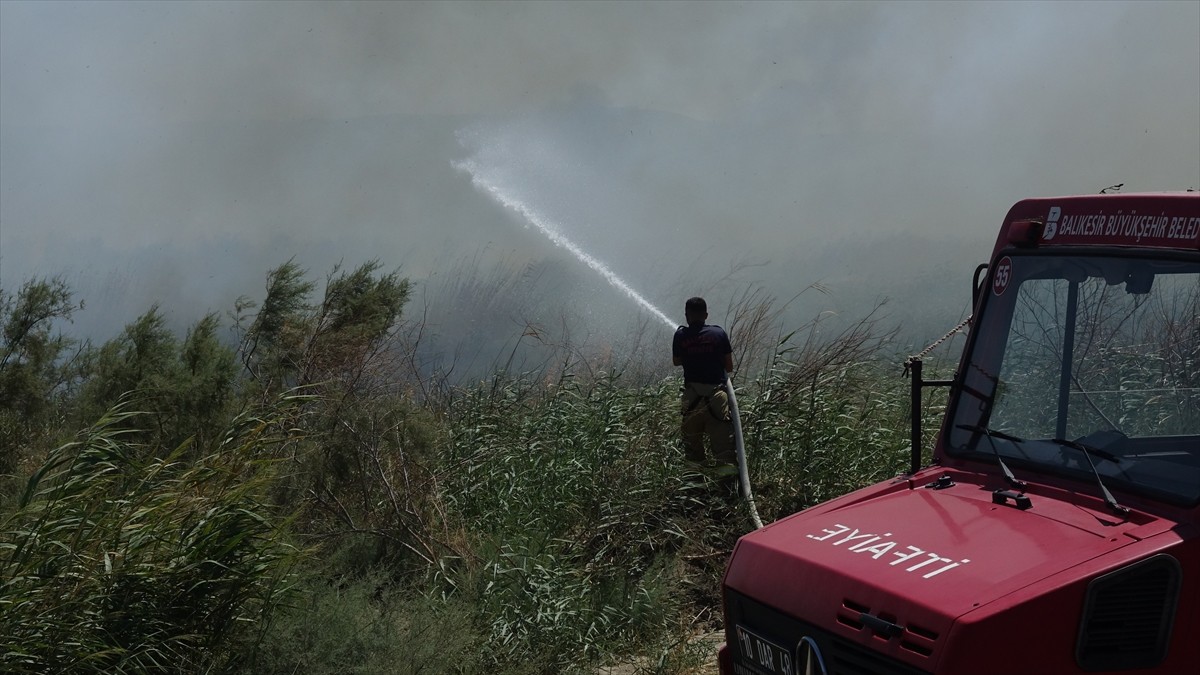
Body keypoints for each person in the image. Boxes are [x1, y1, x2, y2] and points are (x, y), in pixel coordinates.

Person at [672, 296, 735, 469]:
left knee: (692, 449)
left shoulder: (680, 335)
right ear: (706, 315)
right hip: (716, 398)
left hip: (691, 397)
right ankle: (727, 490)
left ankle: (696, 490)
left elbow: (676, 361)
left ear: (687, 315)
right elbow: (728, 367)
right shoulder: (718, 333)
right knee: (723, 449)